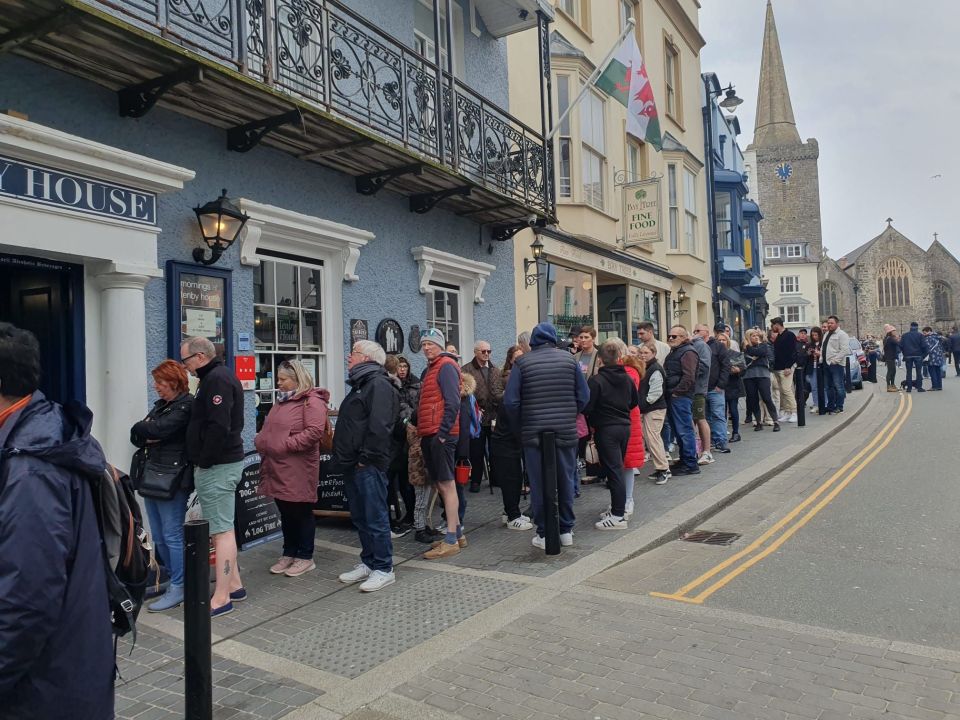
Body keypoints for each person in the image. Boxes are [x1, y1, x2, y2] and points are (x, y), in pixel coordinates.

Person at [0, 323, 113, 720]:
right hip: (67, 667)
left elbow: (26, 599)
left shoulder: (31, 466)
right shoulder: (44, 430)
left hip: (44, 687)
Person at [503, 322, 589, 548]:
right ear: (553, 339)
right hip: (565, 429)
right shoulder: (570, 360)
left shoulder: (522, 363)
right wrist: (572, 413)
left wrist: (520, 425)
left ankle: (543, 532)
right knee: (566, 479)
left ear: (533, 341)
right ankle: (566, 529)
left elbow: (511, 402)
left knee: (539, 483)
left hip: (533, 431)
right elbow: (584, 395)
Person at [180, 336, 245, 617]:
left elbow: (219, 426)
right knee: (224, 528)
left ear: (199, 357)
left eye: (186, 361)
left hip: (217, 465)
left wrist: (204, 460)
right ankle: (234, 586)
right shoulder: (214, 378)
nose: (186, 368)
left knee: (221, 532)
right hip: (220, 464)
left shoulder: (216, 380)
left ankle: (221, 597)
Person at [333, 340, 399, 592]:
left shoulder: (378, 385)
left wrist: (365, 459)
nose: (349, 357)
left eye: (354, 353)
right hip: (353, 463)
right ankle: (369, 562)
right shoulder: (361, 384)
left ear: (368, 358)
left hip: (367, 465)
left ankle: (384, 567)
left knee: (375, 516)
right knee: (361, 517)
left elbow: (380, 427)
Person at [130, 359, 194, 611]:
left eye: (160, 382)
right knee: (158, 533)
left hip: (172, 478)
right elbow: (138, 436)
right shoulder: (161, 406)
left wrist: (145, 429)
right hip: (152, 475)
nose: (156, 387)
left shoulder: (186, 405)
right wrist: (146, 431)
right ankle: (170, 579)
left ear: (174, 381)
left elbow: (161, 429)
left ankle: (180, 585)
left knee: (172, 534)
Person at [255, 360, 328, 578]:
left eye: (283, 379)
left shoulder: (311, 401)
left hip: (298, 466)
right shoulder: (282, 401)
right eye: (278, 379)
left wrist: (284, 445)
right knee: (285, 511)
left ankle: (305, 556)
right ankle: (289, 552)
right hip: (277, 465)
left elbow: (314, 432)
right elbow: (269, 428)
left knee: (300, 512)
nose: (279, 384)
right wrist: (261, 440)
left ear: (297, 379)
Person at [417, 328, 464, 559]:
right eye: (424, 343)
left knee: (447, 485)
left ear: (441, 345)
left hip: (440, 435)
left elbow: (453, 402)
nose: (426, 347)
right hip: (431, 433)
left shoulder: (445, 366)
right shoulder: (431, 367)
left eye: (431, 343)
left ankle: (451, 538)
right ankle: (458, 533)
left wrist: (442, 434)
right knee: (442, 484)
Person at [584, 340, 639, 530]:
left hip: (606, 429)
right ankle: (617, 509)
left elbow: (587, 407)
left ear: (600, 360)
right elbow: (634, 402)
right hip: (624, 427)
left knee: (613, 471)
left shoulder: (596, 381)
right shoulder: (627, 379)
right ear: (618, 358)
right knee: (618, 469)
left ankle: (618, 515)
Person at [462, 340, 504, 493]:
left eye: (489, 351)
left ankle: (496, 478)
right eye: (483, 351)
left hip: (493, 415)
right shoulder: (466, 370)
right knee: (476, 451)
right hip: (476, 416)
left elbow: (499, 389)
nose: (487, 354)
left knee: (495, 450)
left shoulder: (495, 370)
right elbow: (465, 392)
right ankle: (476, 481)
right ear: (476, 352)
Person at [663, 326, 701, 475]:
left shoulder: (688, 352)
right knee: (679, 430)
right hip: (674, 395)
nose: (671, 338)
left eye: (675, 336)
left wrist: (677, 393)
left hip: (681, 397)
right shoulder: (676, 351)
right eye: (669, 336)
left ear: (684, 338)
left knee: (684, 430)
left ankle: (691, 463)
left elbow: (689, 377)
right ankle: (685, 460)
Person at [637, 344, 670, 483]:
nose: (643, 355)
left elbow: (655, 393)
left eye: (646, 352)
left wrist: (643, 404)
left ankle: (663, 469)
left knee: (653, 438)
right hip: (650, 408)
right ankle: (660, 468)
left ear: (653, 353)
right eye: (641, 352)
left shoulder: (655, 369)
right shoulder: (648, 367)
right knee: (651, 439)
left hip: (654, 408)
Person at [743, 329, 780, 432]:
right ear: (748, 338)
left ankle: (775, 421)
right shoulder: (744, 348)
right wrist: (749, 350)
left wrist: (749, 348)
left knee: (766, 397)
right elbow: (745, 359)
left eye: (757, 335)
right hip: (749, 376)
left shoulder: (763, 345)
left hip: (762, 374)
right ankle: (759, 422)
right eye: (753, 336)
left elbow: (761, 352)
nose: (756, 337)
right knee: (753, 399)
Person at [706, 323, 732, 454]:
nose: (696, 333)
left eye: (698, 330)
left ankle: (721, 442)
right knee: (704, 417)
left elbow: (725, 366)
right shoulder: (696, 346)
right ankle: (708, 442)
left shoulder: (718, 347)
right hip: (701, 389)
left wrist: (721, 384)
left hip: (715, 388)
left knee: (718, 415)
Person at [690, 325, 713, 464]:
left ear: (706, 333)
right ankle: (695, 450)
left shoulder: (701, 346)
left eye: (698, 331)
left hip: (698, 389)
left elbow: (704, 367)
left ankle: (707, 451)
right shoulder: (692, 346)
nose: (695, 333)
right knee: (691, 420)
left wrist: (687, 374)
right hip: (690, 390)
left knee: (700, 418)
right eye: (694, 331)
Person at [717, 334, 745, 443]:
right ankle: (721, 433)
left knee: (733, 410)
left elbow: (743, 369)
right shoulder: (715, 354)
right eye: (719, 340)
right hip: (720, 385)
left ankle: (736, 433)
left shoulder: (735, 354)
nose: (721, 341)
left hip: (733, 385)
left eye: (723, 340)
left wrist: (738, 370)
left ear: (727, 341)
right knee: (721, 411)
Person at [769, 317, 798, 423]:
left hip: (786, 368)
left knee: (786, 389)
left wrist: (788, 366)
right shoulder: (779, 337)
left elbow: (792, 352)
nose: (772, 328)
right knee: (782, 391)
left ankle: (794, 412)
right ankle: (787, 411)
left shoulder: (789, 335)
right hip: (778, 368)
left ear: (777, 324)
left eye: (773, 325)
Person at [821, 316, 852, 412]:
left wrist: (835, 360)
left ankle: (839, 406)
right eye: (828, 323)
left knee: (838, 386)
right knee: (828, 387)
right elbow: (823, 347)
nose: (829, 324)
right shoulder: (826, 334)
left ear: (837, 324)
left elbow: (845, 350)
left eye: (832, 323)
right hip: (826, 364)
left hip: (836, 365)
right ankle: (830, 406)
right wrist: (821, 359)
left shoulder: (842, 335)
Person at [899, 321, 927, 393]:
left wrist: (904, 353)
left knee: (909, 372)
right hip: (918, 355)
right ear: (917, 327)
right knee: (918, 372)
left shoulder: (905, 335)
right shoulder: (920, 335)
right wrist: (923, 356)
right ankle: (919, 387)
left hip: (908, 355)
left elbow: (901, 346)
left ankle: (909, 388)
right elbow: (924, 346)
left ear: (910, 327)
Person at [805, 327, 824, 410]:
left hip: (821, 367)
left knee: (823, 386)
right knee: (814, 387)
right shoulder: (809, 344)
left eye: (816, 335)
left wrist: (819, 354)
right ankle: (816, 404)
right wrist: (808, 353)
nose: (814, 337)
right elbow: (805, 356)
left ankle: (824, 403)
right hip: (812, 367)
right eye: (812, 335)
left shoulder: (823, 343)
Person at [923, 327, 945, 391]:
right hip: (938, 357)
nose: (924, 334)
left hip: (931, 358)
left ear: (929, 331)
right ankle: (939, 386)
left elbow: (926, 348)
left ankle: (934, 386)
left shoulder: (927, 338)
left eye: (925, 332)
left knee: (932, 372)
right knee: (938, 372)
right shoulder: (938, 337)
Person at [882, 325, 900, 392]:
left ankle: (892, 385)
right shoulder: (890, 339)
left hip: (889, 357)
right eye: (893, 331)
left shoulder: (887, 338)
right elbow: (898, 343)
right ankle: (889, 386)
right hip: (890, 357)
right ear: (890, 332)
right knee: (890, 371)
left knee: (893, 371)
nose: (895, 332)